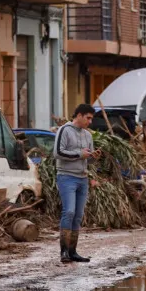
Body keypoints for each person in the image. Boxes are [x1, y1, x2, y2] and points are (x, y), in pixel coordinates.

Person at [53, 104, 101, 264]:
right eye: (88, 118)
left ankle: (73, 251)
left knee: (78, 215)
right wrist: (79, 154)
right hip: (67, 177)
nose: (90, 121)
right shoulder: (64, 130)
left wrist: (94, 156)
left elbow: (88, 159)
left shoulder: (88, 135)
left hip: (83, 178)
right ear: (79, 115)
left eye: (91, 118)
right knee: (69, 212)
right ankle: (64, 252)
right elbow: (57, 153)